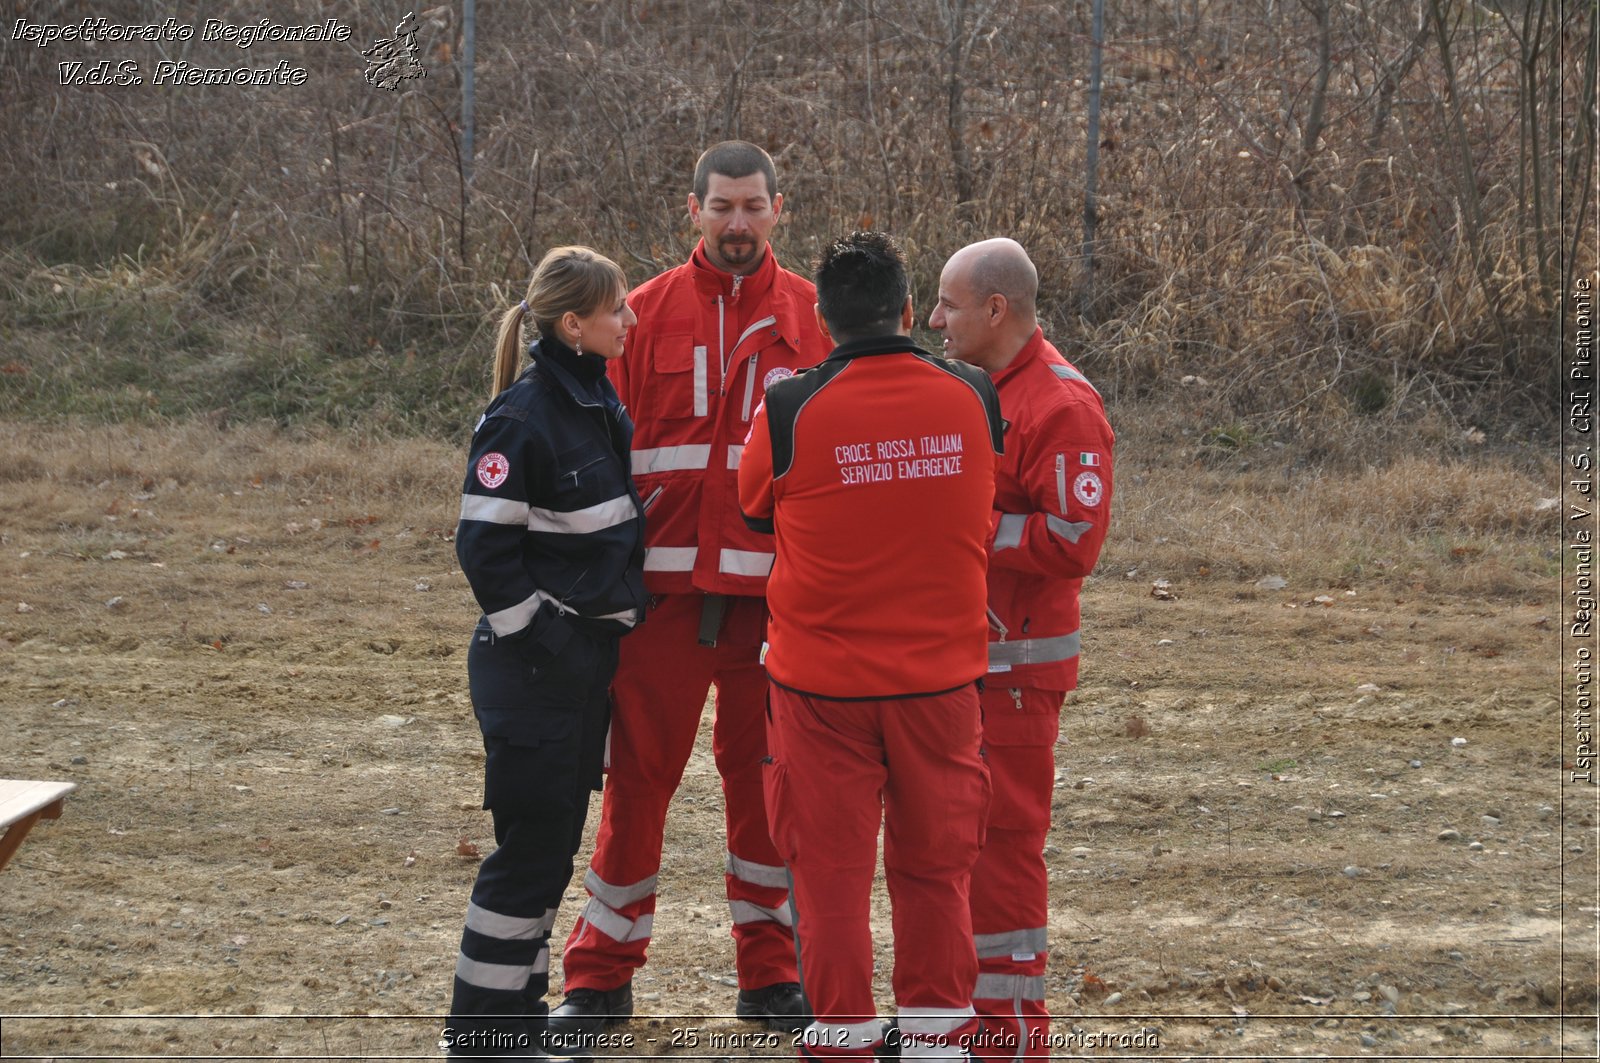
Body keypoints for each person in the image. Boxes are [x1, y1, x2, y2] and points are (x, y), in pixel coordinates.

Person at [548, 141, 831, 1043]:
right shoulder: (642, 313)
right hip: (659, 603)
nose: (738, 223)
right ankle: (598, 977)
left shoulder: (814, 322)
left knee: (768, 792)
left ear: (778, 210)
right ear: (693, 209)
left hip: (771, 608)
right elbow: (594, 453)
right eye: (723, 207)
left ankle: (772, 972)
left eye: (754, 207)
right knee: (636, 786)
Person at [739, 230, 1005, 1062]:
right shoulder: (973, 393)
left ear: (821, 320)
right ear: (903, 307)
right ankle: (935, 1041)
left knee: (829, 879)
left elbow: (755, 507)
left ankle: (844, 1040)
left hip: (821, 688)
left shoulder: (788, 407)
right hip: (941, 683)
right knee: (936, 870)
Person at [443, 246, 647, 1059]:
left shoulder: (593, 400)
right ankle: (483, 1038)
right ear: (575, 324)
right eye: (618, 308)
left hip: (572, 673)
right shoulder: (524, 416)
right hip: (536, 674)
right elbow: (483, 552)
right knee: (527, 857)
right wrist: (554, 642)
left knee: (548, 854)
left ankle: (515, 1030)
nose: (630, 319)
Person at [928, 238, 1115, 1060]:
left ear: (995, 310)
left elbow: (1075, 537)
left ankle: (1006, 1038)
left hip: (1018, 677)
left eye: (948, 304)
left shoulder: (1061, 406)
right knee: (954, 849)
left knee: (1002, 854)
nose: (934, 319)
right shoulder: (973, 390)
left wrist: (968, 528)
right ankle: (961, 1019)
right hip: (965, 667)